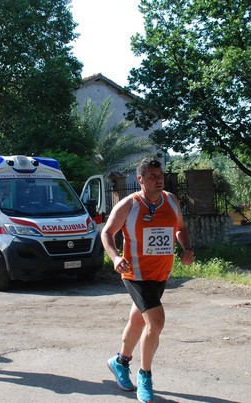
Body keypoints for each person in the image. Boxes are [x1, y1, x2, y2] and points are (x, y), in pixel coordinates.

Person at [101, 158, 195, 403]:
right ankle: (145, 375)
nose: (158, 179)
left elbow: (180, 228)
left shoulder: (171, 200)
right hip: (135, 274)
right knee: (156, 321)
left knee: (137, 321)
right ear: (140, 180)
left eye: (160, 174)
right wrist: (114, 257)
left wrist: (186, 248)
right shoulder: (128, 205)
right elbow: (107, 232)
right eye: (152, 176)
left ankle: (120, 362)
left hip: (160, 274)